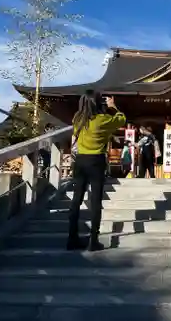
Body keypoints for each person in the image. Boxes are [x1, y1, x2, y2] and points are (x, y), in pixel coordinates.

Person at [67, 92, 126, 251]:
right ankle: (94, 240)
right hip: (96, 161)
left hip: (80, 161)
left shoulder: (77, 119)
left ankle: (72, 238)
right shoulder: (103, 120)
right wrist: (112, 106)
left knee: (76, 200)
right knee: (95, 201)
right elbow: (122, 119)